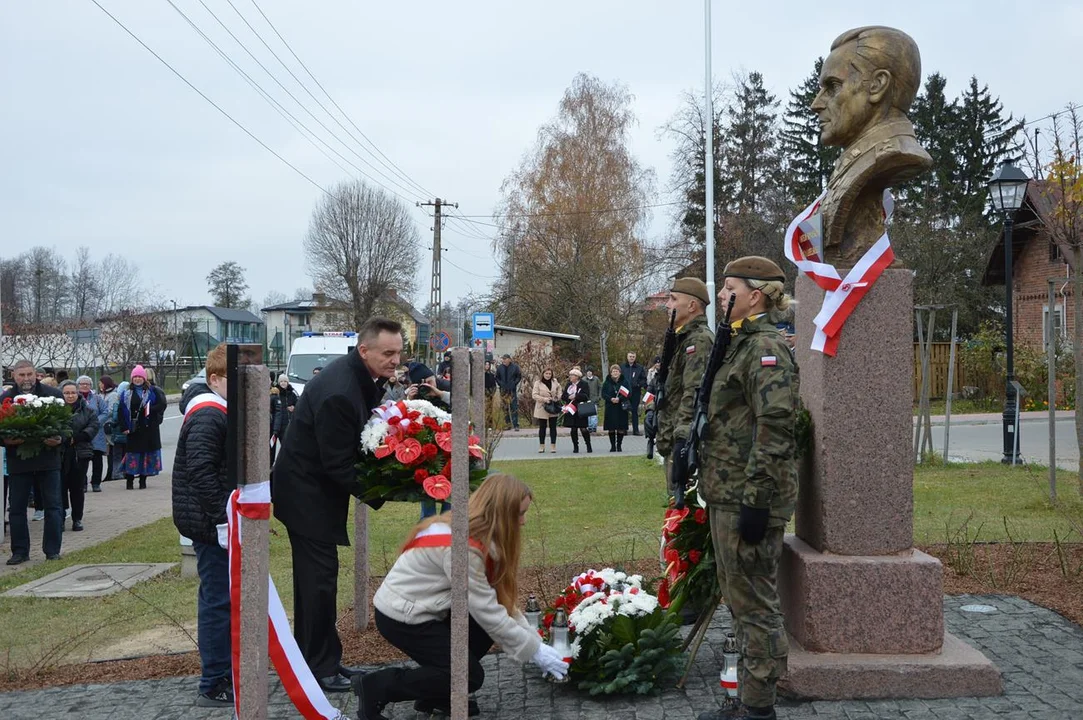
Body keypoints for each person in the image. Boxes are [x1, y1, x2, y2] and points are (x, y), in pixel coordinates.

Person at [352, 474, 568, 720]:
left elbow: (498, 604)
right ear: (500, 514)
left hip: (425, 608)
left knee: (476, 639)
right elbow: (489, 612)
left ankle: (438, 694)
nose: (523, 521)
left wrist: (534, 643)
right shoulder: (462, 549)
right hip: (402, 618)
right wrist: (535, 651)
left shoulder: (473, 531)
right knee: (467, 675)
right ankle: (375, 686)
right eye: (519, 514)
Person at [693, 257, 798, 720]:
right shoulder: (738, 344)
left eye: (728, 287)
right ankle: (749, 701)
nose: (719, 296)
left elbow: (775, 427)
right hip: (727, 492)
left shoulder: (765, 348)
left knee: (755, 605)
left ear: (755, 294)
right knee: (739, 599)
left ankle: (760, 709)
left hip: (748, 498)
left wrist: (756, 499)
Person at [273, 317, 401, 692]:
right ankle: (317, 667)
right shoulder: (340, 392)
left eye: (398, 353)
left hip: (313, 493)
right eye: (388, 353)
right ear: (365, 351)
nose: (395, 361)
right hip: (305, 496)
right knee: (317, 586)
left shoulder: (355, 376)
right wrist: (389, 490)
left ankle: (325, 660)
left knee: (320, 583)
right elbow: (338, 464)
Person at [813, 26, 931, 262]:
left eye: (833, 86)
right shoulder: (853, 160)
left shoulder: (891, 156)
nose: (816, 103)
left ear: (877, 85)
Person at [171, 343, 235, 707]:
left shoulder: (218, 408)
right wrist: (222, 518)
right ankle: (213, 681)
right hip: (209, 522)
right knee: (217, 600)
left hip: (211, 519)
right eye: (236, 378)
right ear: (215, 379)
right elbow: (201, 470)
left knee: (221, 598)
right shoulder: (210, 414)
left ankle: (223, 670)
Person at [1, 359, 66, 564]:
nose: (26, 379)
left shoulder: (52, 395)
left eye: (29, 374)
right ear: (14, 376)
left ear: (35, 374)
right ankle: (20, 551)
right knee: (17, 508)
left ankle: (52, 550)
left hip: (48, 460)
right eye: (22, 375)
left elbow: (66, 424)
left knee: (53, 506)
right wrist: (5, 440)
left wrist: (59, 439)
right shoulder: (6, 399)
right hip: (19, 461)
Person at [656, 277, 715, 497]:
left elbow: (693, 394)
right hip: (674, 438)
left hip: (685, 442)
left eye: (673, 299)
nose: (667, 305)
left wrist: (682, 441)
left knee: (686, 510)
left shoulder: (698, 341)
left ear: (692, 306)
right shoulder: (682, 339)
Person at [59, 380, 99, 532]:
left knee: (77, 488)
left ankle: (77, 519)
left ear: (78, 394)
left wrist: (78, 436)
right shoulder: (56, 409)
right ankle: (60, 518)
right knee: (60, 488)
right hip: (61, 452)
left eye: (73, 393)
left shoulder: (87, 410)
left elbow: (93, 426)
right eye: (67, 393)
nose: (70, 396)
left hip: (80, 453)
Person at [120, 365, 167, 490]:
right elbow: (121, 410)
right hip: (133, 429)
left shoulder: (153, 391)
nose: (137, 379)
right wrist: (124, 427)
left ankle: (142, 480)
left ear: (144, 378)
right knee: (132, 455)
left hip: (149, 429)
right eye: (135, 377)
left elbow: (162, 404)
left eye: (140, 377)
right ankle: (129, 481)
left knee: (145, 455)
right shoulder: (126, 393)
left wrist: (149, 409)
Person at [77, 375, 110, 492]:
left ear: (91, 386)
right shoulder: (76, 398)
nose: (84, 386)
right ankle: (83, 483)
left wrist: (95, 423)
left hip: (96, 434)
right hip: (82, 433)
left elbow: (105, 412)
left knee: (97, 460)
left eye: (87, 384)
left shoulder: (97, 398)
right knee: (82, 461)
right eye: (82, 384)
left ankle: (96, 483)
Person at [560, 367, 592, 454]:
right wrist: (568, 397)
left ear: (577, 376)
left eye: (572, 375)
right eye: (570, 375)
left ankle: (588, 445)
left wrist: (576, 396)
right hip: (571, 408)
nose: (570, 377)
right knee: (573, 429)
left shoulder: (584, 384)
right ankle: (575, 446)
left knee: (583, 429)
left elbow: (586, 396)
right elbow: (563, 396)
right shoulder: (568, 384)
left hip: (581, 408)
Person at [601, 364, 630, 453]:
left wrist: (619, 398)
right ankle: (613, 446)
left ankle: (619, 445)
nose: (615, 373)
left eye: (617, 371)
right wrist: (611, 399)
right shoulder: (607, 382)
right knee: (611, 427)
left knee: (620, 427)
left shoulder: (624, 381)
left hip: (621, 407)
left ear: (620, 372)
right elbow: (603, 394)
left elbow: (628, 392)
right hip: (610, 407)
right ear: (611, 373)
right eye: (613, 371)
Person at [531, 368, 560, 454]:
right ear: (543, 374)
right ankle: (541, 445)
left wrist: (557, 398)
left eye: (549, 374)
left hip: (553, 406)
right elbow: (534, 395)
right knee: (542, 427)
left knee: (553, 427)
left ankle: (553, 445)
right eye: (546, 373)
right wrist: (544, 399)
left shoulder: (555, 382)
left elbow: (559, 390)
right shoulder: (538, 383)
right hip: (542, 407)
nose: (548, 375)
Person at [619, 351, 647, 436]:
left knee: (635, 411)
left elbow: (644, 379)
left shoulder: (639, 367)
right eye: (630, 356)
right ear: (627, 357)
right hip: (625, 392)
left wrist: (638, 384)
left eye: (633, 357)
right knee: (624, 410)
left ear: (635, 358)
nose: (631, 358)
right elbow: (618, 377)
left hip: (635, 392)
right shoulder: (622, 367)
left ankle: (636, 430)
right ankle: (624, 429)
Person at [107, 380, 130, 481]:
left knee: (116, 455)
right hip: (126, 433)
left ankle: (116, 472)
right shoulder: (129, 402)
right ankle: (125, 472)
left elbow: (115, 417)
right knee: (126, 453)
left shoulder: (117, 402)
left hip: (117, 433)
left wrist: (113, 424)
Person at [98, 376, 119, 483]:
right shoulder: (100, 395)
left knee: (111, 450)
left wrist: (102, 415)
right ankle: (109, 473)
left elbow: (111, 410)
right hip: (101, 426)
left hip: (109, 425)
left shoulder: (113, 395)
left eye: (101, 383)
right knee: (106, 451)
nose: (100, 385)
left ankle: (112, 472)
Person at [495, 354, 521, 431]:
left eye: (505, 359)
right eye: (503, 359)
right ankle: (508, 424)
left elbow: (519, 376)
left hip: (512, 390)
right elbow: (497, 377)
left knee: (514, 407)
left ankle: (516, 425)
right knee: (505, 408)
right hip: (503, 390)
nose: (504, 360)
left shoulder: (515, 367)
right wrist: (500, 384)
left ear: (509, 359)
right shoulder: (500, 368)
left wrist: (514, 383)